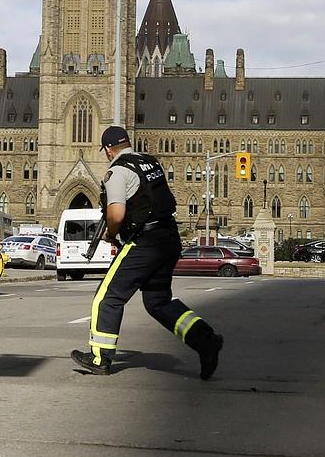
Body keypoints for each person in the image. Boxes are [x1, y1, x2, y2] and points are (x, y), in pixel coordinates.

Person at [71, 125, 223, 379]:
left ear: (108, 150)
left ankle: (100, 358)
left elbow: (117, 214)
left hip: (146, 242)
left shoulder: (118, 171)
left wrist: (111, 232)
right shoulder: (149, 163)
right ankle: (206, 341)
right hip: (168, 238)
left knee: (107, 297)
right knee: (158, 302)